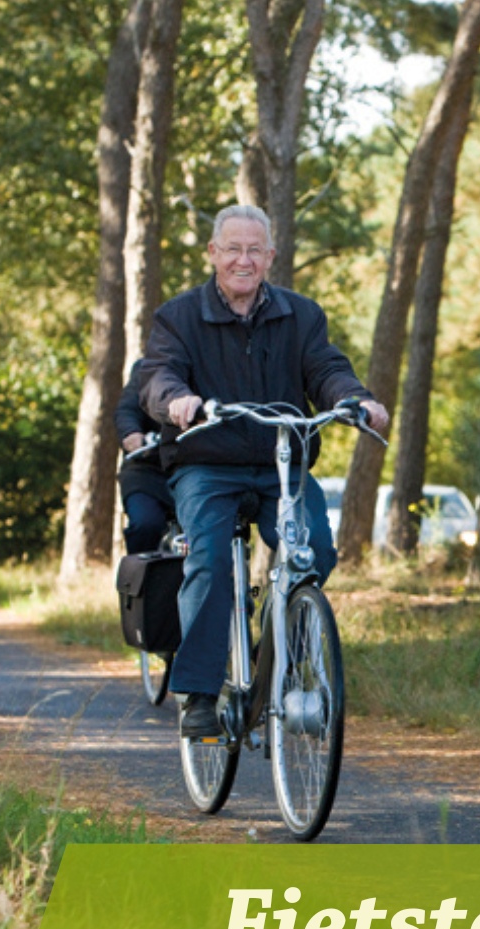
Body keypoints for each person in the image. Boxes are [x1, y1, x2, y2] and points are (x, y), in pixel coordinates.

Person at [139, 204, 389, 737]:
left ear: (271, 256)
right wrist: (179, 400)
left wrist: (356, 400)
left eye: (255, 250)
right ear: (213, 253)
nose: (243, 260)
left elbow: (326, 369)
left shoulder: (302, 315)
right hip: (206, 463)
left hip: (283, 463)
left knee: (314, 551)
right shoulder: (178, 317)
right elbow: (157, 376)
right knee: (209, 562)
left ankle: (274, 653)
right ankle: (201, 693)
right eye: (232, 248)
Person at [116, 358, 175, 554]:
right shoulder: (146, 368)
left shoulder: (212, 366)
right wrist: (132, 434)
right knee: (145, 523)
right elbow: (127, 410)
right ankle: (140, 580)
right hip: (147, 468)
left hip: (199, 466)